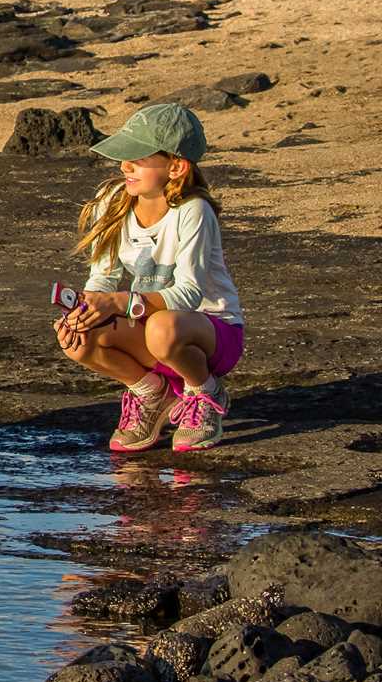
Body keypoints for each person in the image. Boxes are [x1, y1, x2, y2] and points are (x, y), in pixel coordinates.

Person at [54, 103, 243, 453]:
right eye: (123, 155)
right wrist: (86, 309)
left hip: (211, 335)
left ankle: (205, 391)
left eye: (137, 157)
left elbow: (187, 292)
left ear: (176, 167)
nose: (124, 165)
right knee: (78, 337)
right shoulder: (112, 200)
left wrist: (120, 303)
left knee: (162, 327)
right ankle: (151, 393)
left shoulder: (193, 211)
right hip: (152, 332)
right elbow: (103, 277)